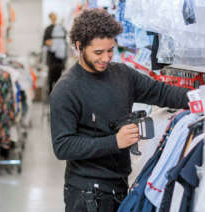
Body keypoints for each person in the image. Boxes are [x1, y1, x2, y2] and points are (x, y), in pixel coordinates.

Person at [49, 9, 189, 212]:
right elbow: (63, 146)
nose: (106, 58)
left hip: (121, 186)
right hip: (86, 194)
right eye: (98, 52)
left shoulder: (122, 74)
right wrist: (115, 142)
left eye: (110, 50)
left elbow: (161, 92)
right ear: (79, 47)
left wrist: (200, 97)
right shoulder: (66, 90)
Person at [42, 12, 68, 94]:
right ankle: (50, 93)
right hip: (51, 57)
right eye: (52, 16)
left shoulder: (61, 28)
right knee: (51, 76)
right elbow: (45, 42)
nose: (54, 17)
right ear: (50, 17)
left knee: (59, 75)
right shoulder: (48, 29)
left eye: (55, 16)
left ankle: (58, 93)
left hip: (60, 57)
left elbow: (64, 41)